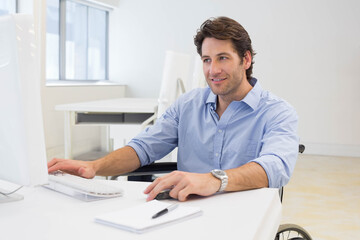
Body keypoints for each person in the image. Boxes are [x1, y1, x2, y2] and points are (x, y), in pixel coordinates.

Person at [48, 16, 299, 202]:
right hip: (186, 210)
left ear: (245, 60)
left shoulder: (277, 112)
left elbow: (275, 167)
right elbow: (144, 148)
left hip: (244, 213)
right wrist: (94, 167)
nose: (213, 70)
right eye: (206, 60)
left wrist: (213, 181)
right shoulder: (188, 105)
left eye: (223, 58)